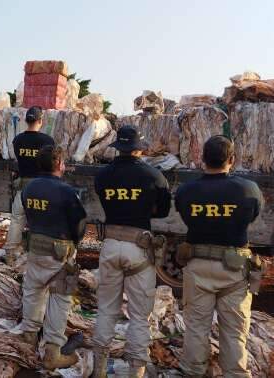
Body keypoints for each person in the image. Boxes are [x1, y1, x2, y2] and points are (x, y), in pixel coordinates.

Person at [175, 136, 264, 377]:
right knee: (234, 331)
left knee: (195, 327)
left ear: (202, 159)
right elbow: (253, 215)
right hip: (234, 269)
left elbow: (184, 215)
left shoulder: (186, 191)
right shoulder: (248, 189)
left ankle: (193, 371)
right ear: (232, 160)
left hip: (198, 265)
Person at [91, 125, 172, 378]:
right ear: (138, 148)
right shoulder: (154, 175)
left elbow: (106, 202)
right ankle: (136, 372)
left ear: (118, 148)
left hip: (111, 245)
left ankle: (99, 370)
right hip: (138, 247)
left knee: (106, 309)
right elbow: (163, 211)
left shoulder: (102, 176)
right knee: (139, 316)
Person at [17, 145, 87, 369]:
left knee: (33, 290)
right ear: (59, 164)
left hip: (35, 248)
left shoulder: (28, 189)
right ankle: (53, 353)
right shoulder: (66, 191)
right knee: (59, 298)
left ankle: (28, 337)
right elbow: (80, 224)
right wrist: (74, 244)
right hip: (59, 253)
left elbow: (27, 216)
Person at [4, 106, 55, 264]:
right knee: (41, 221)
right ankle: (39, 255)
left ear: (26, 121)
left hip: (24, 187)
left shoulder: (18, 140)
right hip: (41, 188)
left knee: (17, 219)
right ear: (40, 121)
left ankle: (10, 254)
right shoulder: (47, 141)